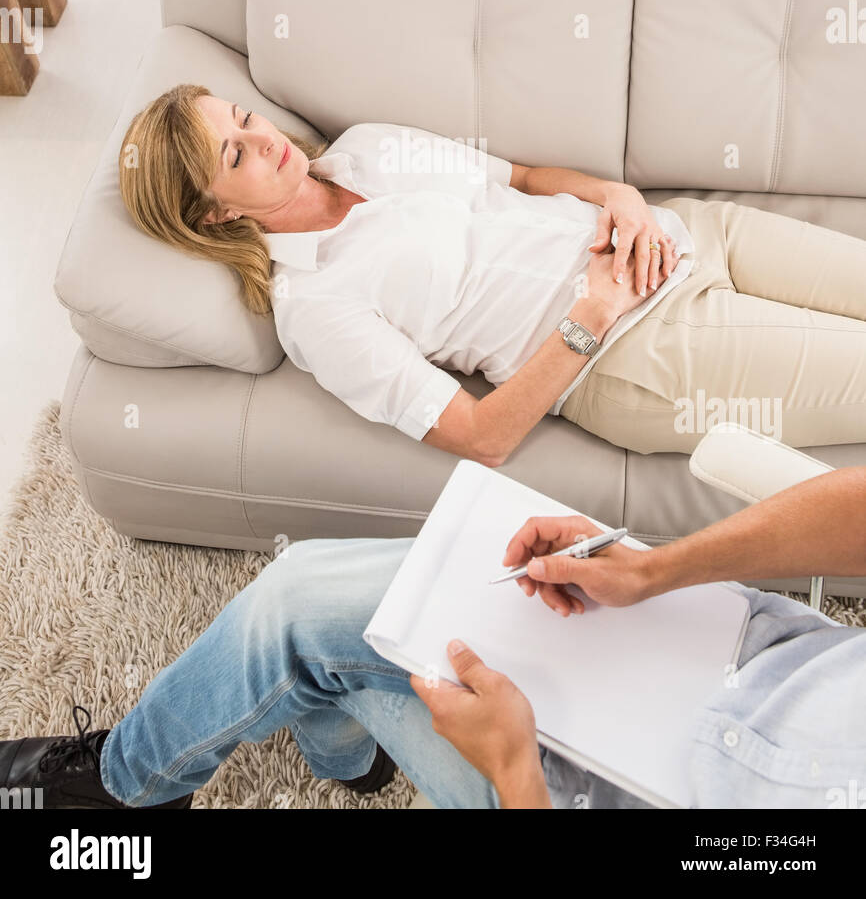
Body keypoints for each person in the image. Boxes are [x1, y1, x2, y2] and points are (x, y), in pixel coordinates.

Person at [2, 465, 864, 809]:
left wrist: (516, 771)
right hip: (732, 640)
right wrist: (657, 569)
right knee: (305, 597)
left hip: (596, 795)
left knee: (324, 645)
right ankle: (339, 759)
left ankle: (114, 798)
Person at [116, 87, 866, 462]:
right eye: (234, 155)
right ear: (212, 215)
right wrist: (595, 312)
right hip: (645, 348)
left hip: (688, 231)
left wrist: (622, 198)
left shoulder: (368, 146)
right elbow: (482, 436)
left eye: (243, 120)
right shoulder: (314, 305)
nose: (263, 140)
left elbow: (529, 177)